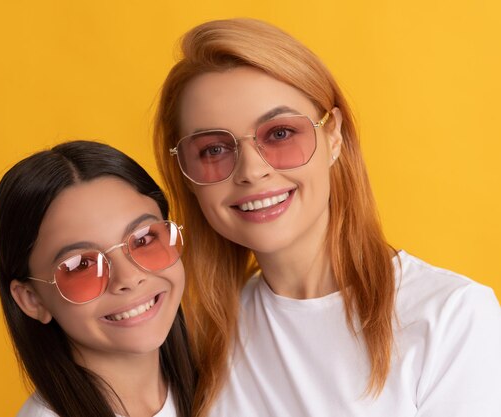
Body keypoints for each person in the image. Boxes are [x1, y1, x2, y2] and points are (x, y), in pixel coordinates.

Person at [153, 18, 501, 417]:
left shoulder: (452, 317)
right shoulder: (197, 335)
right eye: (213, 150)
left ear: (333, 136)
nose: (251, 170)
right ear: (187, 174)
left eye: (280, 133)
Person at [0, 140, 195, 417]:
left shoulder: (225, 374)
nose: (129, 277)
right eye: (81, 265)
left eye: (144, 238)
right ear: (32, 299)